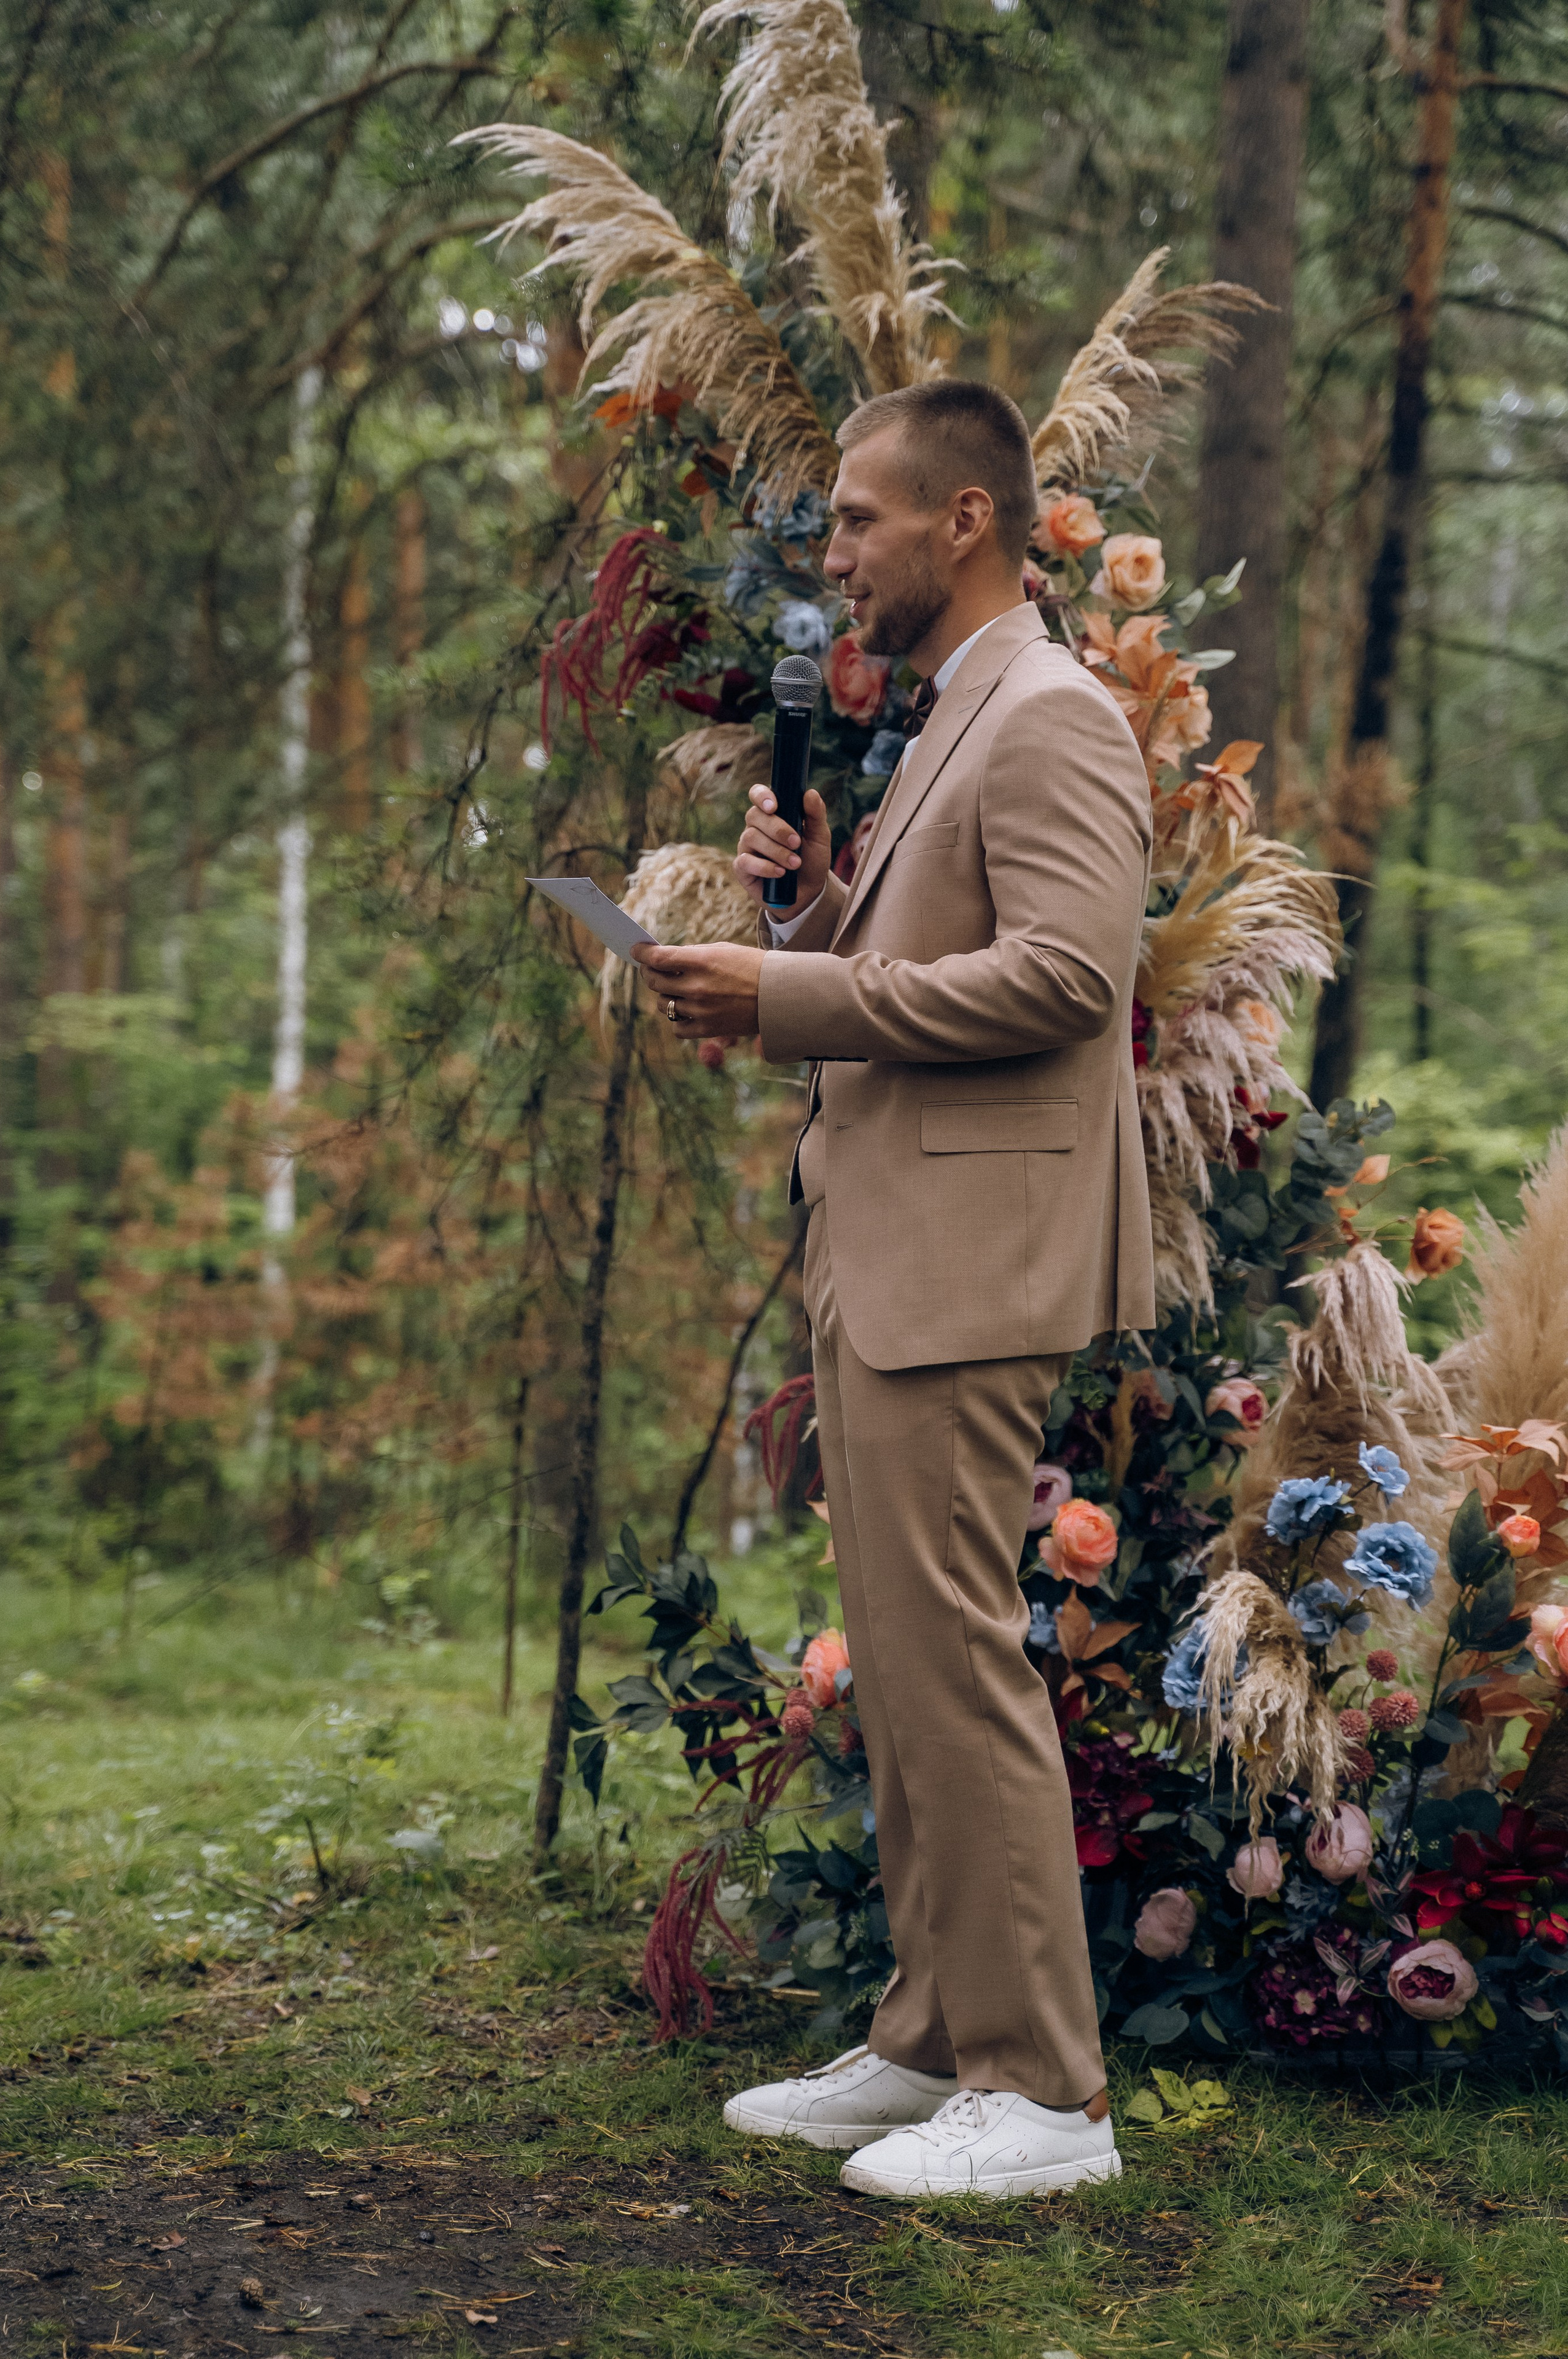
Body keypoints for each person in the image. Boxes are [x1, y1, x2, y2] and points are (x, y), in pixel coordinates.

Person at [633, 380, 1154, 2202]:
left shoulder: (1051, 713)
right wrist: (812, 923)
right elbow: (941, 967)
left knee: (960, 1669)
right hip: (898, 1243)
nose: (832, 549)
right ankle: (936, 2037)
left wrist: (793, 1000)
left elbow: (1072, 984)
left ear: (965, 523)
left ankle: (1048, 2097)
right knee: (914, 1676)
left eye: (859, 518)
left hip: (975, 1257)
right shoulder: (958, 712)